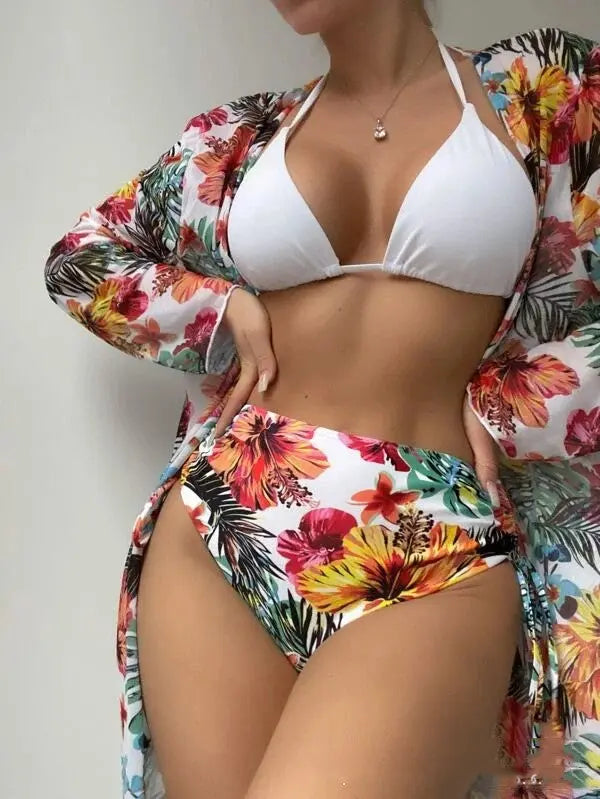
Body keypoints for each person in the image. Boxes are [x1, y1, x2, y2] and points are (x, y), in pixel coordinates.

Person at [44, 2, 600, 798]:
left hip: (439, 541)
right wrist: (215, 307)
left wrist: (522, 397)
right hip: (225, 519)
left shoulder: (550, 87)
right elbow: (80, 260)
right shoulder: (238, 138)